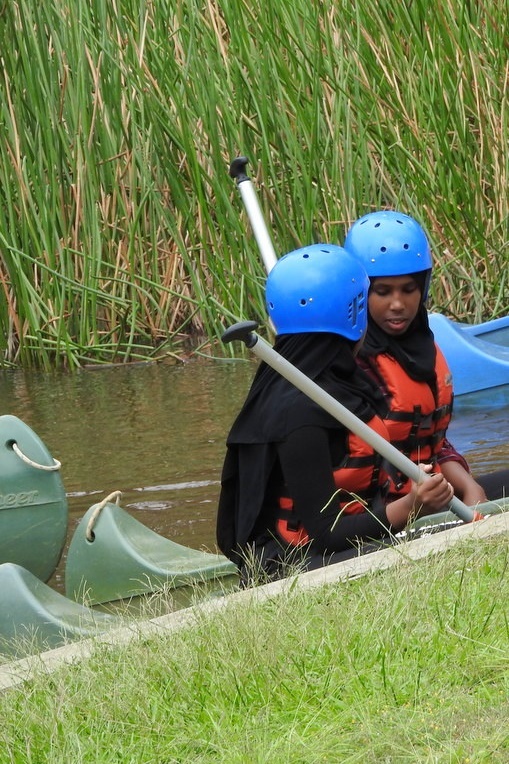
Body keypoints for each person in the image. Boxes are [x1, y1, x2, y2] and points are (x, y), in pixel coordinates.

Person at [216, 243, 454, 583]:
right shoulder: (301, 412)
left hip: (338, 543)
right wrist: (412, 507)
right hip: (290, 565)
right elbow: (326, 534)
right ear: (355, 316)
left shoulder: (339, 384)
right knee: (437, 536)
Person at [343, 209, 508, 505]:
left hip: (429, 491)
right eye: (382, 292)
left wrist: (469, 487)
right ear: (360, 293)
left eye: (408, 289)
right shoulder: (347, 365)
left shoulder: (423, 346)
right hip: (379, 513)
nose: (397, 304)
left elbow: (435, 442)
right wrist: (413, 503)